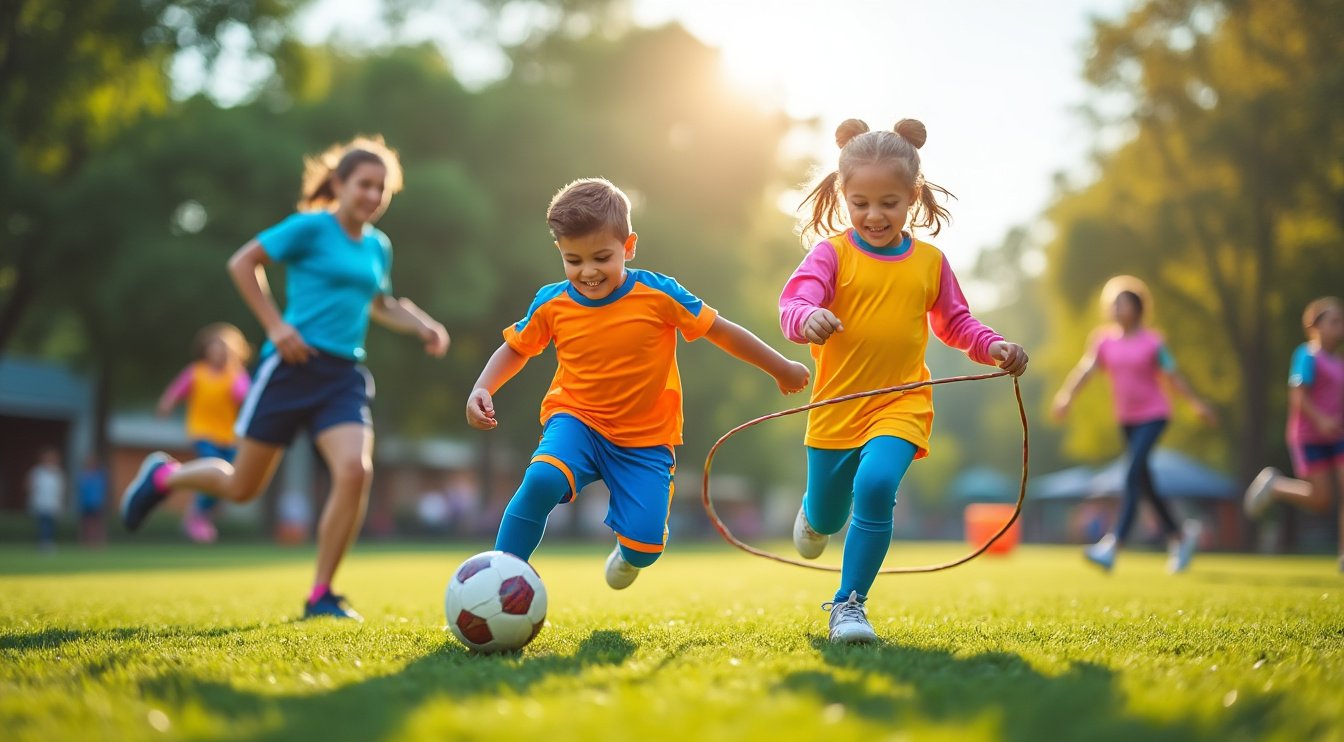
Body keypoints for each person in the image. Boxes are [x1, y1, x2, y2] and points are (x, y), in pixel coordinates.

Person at [121, 136, 450, 620]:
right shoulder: (310, 228)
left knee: (355, 470)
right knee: (241, 488)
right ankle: (166, 476)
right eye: (364, 185)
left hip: (342, 375)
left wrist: (423, 324)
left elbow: (381, 304)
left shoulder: (379, 246)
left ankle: (321, 594)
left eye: (382, 189)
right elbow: (242, 263)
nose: (373, 197)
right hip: (290, 370)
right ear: (339, 183)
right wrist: (276, 326)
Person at [466, 177, 810, 589]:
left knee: (646, 547)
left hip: (646, 439)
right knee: (541, 480)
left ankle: (629, 554)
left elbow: (720, 330)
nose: (588, 271)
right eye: (574, 260)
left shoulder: (658, 294)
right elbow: (517, 348)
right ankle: (499, 576)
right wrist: (482, 387)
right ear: (559, 251)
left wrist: (780, 367)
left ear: (628, 247)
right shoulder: (552, 302)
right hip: (576, 420)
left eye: (602, 257)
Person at [780, 118, 1028, 644]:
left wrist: (994, 346)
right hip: (835, 410)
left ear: (912, 197)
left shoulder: (930, 264)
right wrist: (807, 317)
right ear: (843, 196)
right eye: (861, 202)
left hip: (902, 405)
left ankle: (849, 606)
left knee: (875, 486)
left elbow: (958, 323)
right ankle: (814, 514)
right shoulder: (832, 254)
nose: (874, 215)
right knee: (827, 517)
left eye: (889, 202)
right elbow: (793, 302)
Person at [1052, 275, 1216, 574]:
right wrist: (1066, 396)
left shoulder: (1154, 342)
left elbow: (1173, 374)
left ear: (1137, 308)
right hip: (1126, 419)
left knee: (1132, 472)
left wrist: (1196, 403)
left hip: (1155, 415)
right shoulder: (1103, 341)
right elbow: (1086, 370)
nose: (1116, 308)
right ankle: (1180, 537)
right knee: (1146, 483)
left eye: (1122, 303)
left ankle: (1113, 546)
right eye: (1113, 303)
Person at [1243, 297, 1344, 570]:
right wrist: (1321, 420)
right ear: (1316, 325)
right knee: (1321, 500)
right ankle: (1276, 487)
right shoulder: (1307, 356)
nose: (1340, 326)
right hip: (1309, 435)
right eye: (1334, 321)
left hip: (1338, 436)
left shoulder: (1339, 362)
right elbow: (1298, 396)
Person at [156, 323, 252, 543]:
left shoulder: (235, 375)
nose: (219, 352)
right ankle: (195, 516)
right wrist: (167, 404)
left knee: (227, 479)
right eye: (215, 346)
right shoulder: (196, 372)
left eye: (225, 348)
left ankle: (201, 515)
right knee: (213, 466)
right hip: (202, 432)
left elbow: (245, 396)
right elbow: (176, 391)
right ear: (207, 349)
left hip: (228, 437)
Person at [28, 447, 65, 552]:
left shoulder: (57, 473)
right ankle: (42, 543)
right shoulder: (37, 472)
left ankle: (49, 543)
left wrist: (60, 504)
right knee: (42, 525)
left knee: (51, 525)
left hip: (53, 504)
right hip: (40, 503)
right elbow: (30, 486)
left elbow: (60, 490)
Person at [76, 456, 108, 547]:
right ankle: (86, 543)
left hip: (97, 503)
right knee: (86, 525)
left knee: (98, 525)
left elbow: (103, 490)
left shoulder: (100, 475)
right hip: (86, 503)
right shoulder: (82, 476)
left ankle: (99, 543)